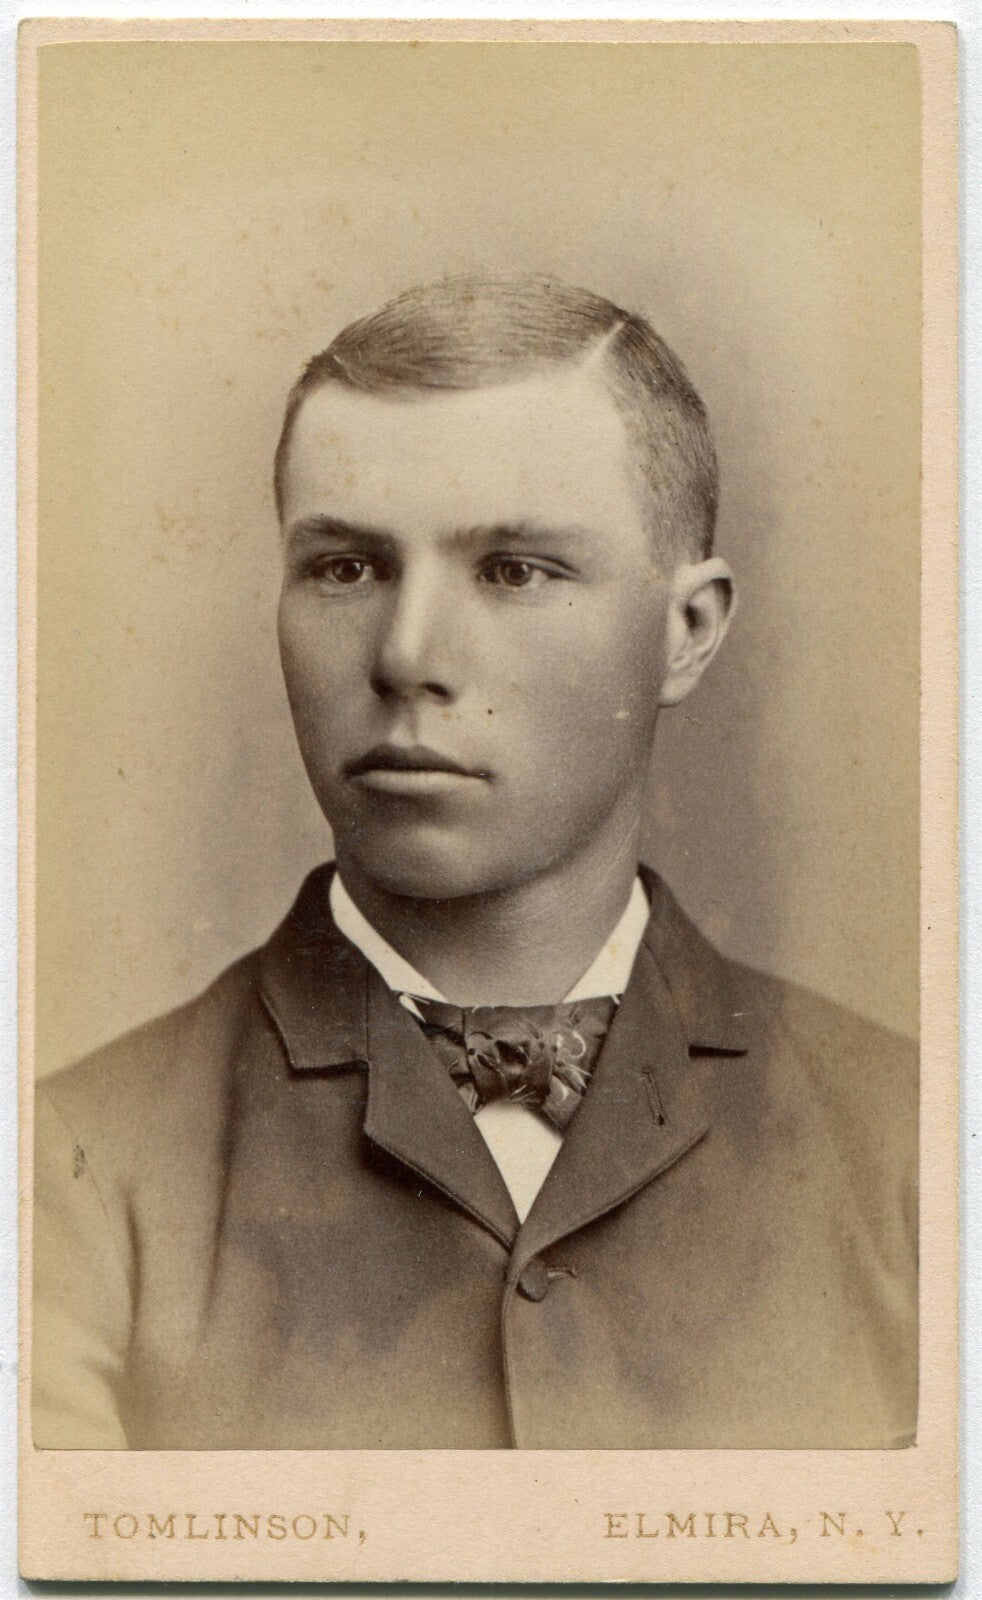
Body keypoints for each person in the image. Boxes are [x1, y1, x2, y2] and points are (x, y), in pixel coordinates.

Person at [33, 276, 917, 1451]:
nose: (406, 657)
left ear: (686, 631)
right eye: (346, 567)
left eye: (512, 571)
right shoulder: (75, 1175)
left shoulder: (918, 1148)